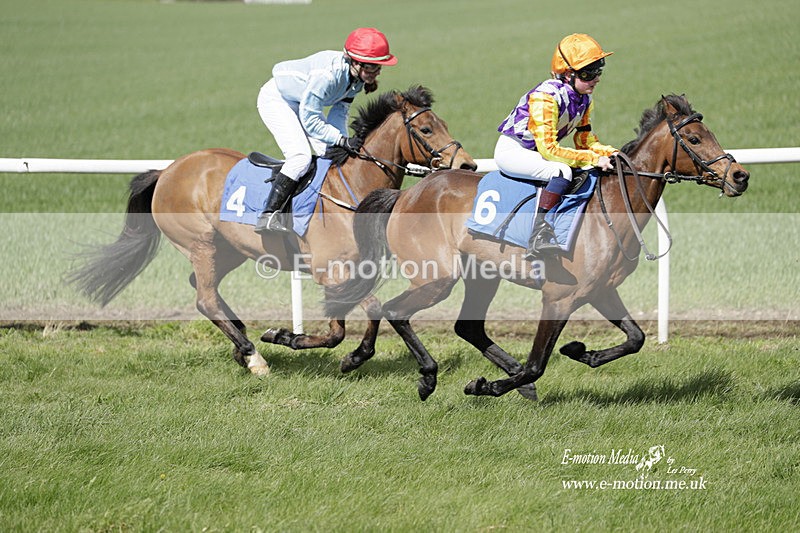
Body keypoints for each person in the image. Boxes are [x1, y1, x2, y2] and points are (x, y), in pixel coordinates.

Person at [254, 28, 398, 233]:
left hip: (304, 105)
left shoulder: (357, 79)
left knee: (332, 155)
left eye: (379, 67)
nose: (375, 73)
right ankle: (269, 214)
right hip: (279, 100)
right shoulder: (328, 76)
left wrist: (343, 142)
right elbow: (309, 118)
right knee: (300, 157)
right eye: (370, 67)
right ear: (353, 61)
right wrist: (340, 139)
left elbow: (339, 112)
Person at [495, 33, 618, 256]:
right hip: (514, 151)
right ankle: (539, 235)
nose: (596, 79)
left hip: (536, 153)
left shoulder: (584, 99)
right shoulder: (546, 97)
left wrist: (613, 153)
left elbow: (584, 140)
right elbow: (548, 149)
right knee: (561, 170)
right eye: (588, 73)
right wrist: (592, 158)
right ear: (568, 74)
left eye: (598, 71)